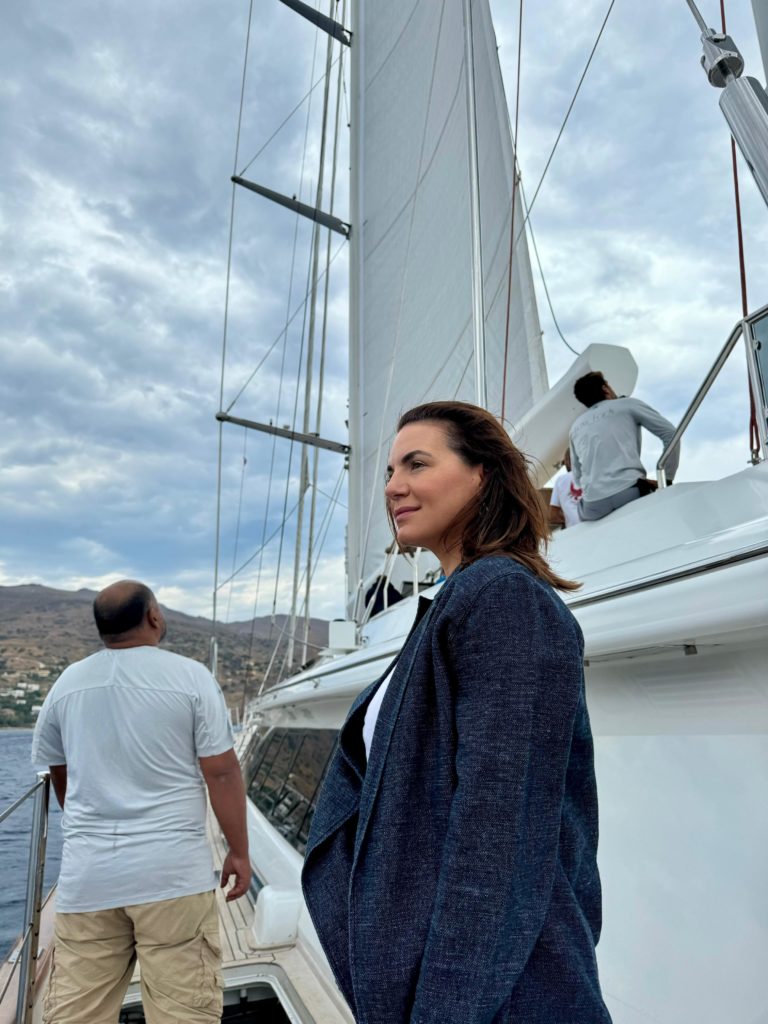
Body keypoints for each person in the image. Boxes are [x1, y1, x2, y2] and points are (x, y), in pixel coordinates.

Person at [301, 402, 612, 1024]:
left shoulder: (503, 598)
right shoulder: (454, 602)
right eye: (390, 470)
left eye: (417, 463)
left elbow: (496, 833)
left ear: (483, 476)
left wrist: (445, 1010)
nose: (392, 485)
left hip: (500, 997)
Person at [31, 580, 251, 1024]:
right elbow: (222, 772)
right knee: (183, 1013)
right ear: (153, 616)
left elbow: (61, 776)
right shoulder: (190, 677)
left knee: (79, 1013)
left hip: (88, 881)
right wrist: (240, 852)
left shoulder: (66, 684)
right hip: (172, 877)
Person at [570, 370, 680, 521]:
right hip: (629, 492)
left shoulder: (575, 427)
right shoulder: (627, 405)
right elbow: (671, 434)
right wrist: (666, 479)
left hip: (593, 505)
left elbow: (576, 477)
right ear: (606, 389)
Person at [549, 447, 583, 528]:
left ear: (568, 461)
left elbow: (553, 515)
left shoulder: (561, 480)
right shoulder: (590, 473)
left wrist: (568, 519)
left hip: (575, 530)